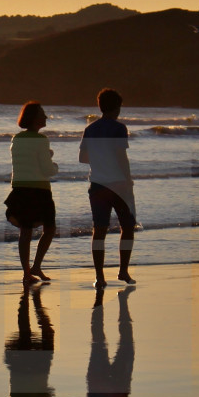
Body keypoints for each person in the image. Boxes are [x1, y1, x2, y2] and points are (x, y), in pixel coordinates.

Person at [79, 88, 135, 287]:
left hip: (97, 184)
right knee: (127, 227)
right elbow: (122, 156)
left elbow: (82, 158)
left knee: (99, 230)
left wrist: (100, 158)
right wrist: (128, 181)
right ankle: (123, 271)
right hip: (119, 184)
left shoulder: (90, 129)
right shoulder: (119, 128)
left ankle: (99, 276)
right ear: (117, 107)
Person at [5, 102, 57, 284]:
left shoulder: (16, 139)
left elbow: (26, 163)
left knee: (25, 232)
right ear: (35, 118)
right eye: (43, 114)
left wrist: (46, 156)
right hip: (39, 190)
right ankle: (36, 266)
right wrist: (54, 164)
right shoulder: (41, 140)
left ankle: (27, 273)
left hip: (19, 189)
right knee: (49, 229)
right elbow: (47, 169)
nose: (46, 117)